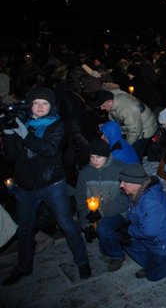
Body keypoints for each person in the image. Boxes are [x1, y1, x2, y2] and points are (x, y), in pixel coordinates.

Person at [2, 87, 90, 286]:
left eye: (45, 103)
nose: (40, 107)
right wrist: (8, 132)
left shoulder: (57, 125)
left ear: (51, 106)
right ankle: (24, 267)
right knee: (25, 230)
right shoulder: (21, 123)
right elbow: (11, 155)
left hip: (52, 185)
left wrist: (24, 134)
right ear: (30, 105)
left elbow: (49, 150)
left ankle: (82, 261)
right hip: (25, 187)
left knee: (67, 224)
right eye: (36, 103)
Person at [75, 138, 129, 272]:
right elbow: (81, 199)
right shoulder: (85, 173)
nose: (95, 161)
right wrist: (85, 222)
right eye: (92, 157)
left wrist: (102, 212)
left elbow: (125, 199)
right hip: (93, 213)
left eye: (98, 157)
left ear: (106, 156)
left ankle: (117, 256)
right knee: (102, 241)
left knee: (103, 228)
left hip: (118, 211)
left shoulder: (119, 169)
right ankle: (112, 244)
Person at [95, 89, 158, 161]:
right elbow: (114, 116)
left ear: (109, 101)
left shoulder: (127, 108)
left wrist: (127, 146)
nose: (102, 108)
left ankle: (137, 169)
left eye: (103, 106)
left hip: (145, 129)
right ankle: (151, 157)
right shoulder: (112, 98)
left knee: (134, 152)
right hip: (136, 123)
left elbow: (135, 130)